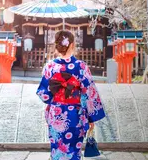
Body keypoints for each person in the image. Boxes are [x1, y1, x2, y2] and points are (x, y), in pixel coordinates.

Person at [37, 30, 106, 160]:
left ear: (56, 46)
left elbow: (44, 95)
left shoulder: (50, 66)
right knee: (74, 151)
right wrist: (91, 118)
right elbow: (89, 93)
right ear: (72, 45)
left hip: (56, 114)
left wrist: (57, 97)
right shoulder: (81, 66)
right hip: (75, 115)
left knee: (57, 150)